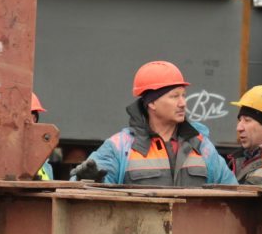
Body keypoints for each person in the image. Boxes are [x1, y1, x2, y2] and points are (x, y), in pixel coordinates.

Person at [74, 60, 235, 186]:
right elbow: (84, 189)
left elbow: (231, 191)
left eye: (183, 95)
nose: (183, 103)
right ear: (151, 103)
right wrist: (88, 181)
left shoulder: (201, 145)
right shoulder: (120, 146)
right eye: (174, 96)